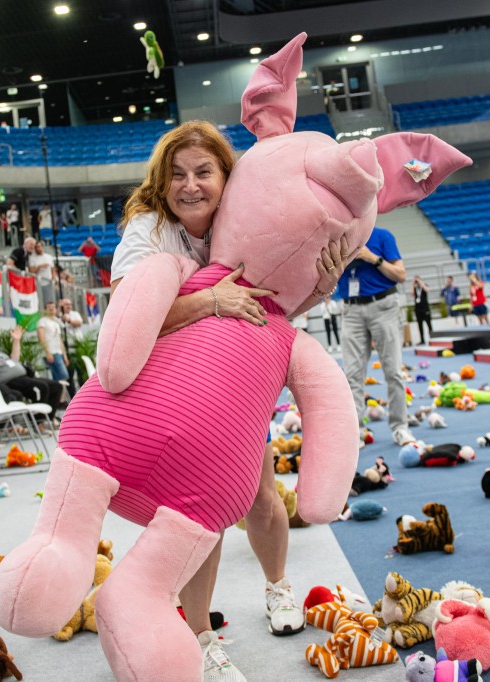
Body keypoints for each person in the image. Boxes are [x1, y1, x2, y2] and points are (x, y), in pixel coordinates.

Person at [109, 120, 350, 681]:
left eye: (203, 172)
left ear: (227, 178)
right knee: (200, 512)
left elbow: (272, 304)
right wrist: (208, 301)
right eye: (177, 175)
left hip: (235, 385)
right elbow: (124, 317)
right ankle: (200, 637)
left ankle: (278, 586)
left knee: (262, 496)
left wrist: (320, 286)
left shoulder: (244, 221)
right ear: (161, 183)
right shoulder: (149, 229)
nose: (190, 185)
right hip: (171, 388)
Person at [339, 226, 414, 447]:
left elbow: (400, 275)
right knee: (352, 375)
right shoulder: (336, 238)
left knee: (393, 371)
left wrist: (372, 258)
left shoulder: (382, 236)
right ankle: (355, 432)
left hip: (384, 306)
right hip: (351, 309)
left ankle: (400, 427)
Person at [0, 326, 67, 422]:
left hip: (23, 377)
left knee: (57, 386)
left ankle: (48, 419)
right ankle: (38, 423)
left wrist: (16, 341)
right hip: (9, 381)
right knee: (42, 387)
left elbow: (14, 360)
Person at [36, 300, 69, 382]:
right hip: (51, 353)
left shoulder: (56, 323)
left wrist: (64, 355)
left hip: (59, 353)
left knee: (58, 378)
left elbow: (60, 340)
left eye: (53, 307)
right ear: (45, 310)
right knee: (63, 376)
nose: (51, 309)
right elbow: (41, 338)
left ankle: (60, 390)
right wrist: (47, 353)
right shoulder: (42, 321)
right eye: (49, 307)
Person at [28, 240, 55, 305]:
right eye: (36, 247)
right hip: (38, 283)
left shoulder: (49, 257)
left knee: (49, 301)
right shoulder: (32, 258)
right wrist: (40, 266)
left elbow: (52, 269)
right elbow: (31, 271)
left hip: (48, 281)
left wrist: (53, 278)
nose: (38, 248)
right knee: (39, 301)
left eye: (39, 247)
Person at [412, 276, 433, 345]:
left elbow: (427, 290)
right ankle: (422, 339)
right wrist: (413, 284)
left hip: (425, 308)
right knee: (420, 325)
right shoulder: (415, 288)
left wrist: (421, 283)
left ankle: (432, 338)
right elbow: (412, 294)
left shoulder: (424, 285)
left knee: (429, 324)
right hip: (418, 309)